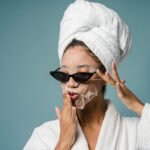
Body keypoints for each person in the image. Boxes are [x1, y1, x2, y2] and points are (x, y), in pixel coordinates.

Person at [23, 0, 150, 149]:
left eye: (81, 75)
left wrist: (138, 106)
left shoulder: (135, 133)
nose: (70, 84)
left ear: (104, 75)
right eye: (63, 75)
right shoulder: (45, 135)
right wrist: (64, 142)